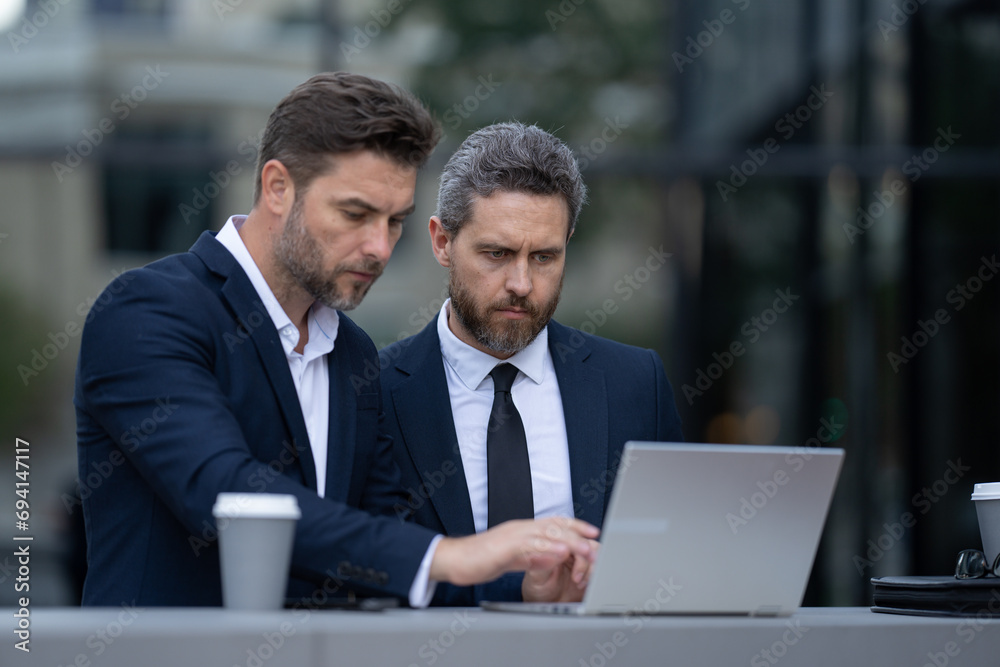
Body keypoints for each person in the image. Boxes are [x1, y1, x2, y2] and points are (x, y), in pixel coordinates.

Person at [74, 73, 598, 608]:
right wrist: (450, 556)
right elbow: (224, 491)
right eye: (355, 214)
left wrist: (524, 587)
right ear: (278, 187)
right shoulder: (147, 310)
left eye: (395, 221)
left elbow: (385, 539)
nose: (379, 247)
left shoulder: (352, 353)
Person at [380, 122, 684, 605]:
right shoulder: (374, 392)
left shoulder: (634, 383)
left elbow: (674, 556)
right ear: (441, 243)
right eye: (496, 254)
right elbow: (364, 569)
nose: (521, 282)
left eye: (544, 257)